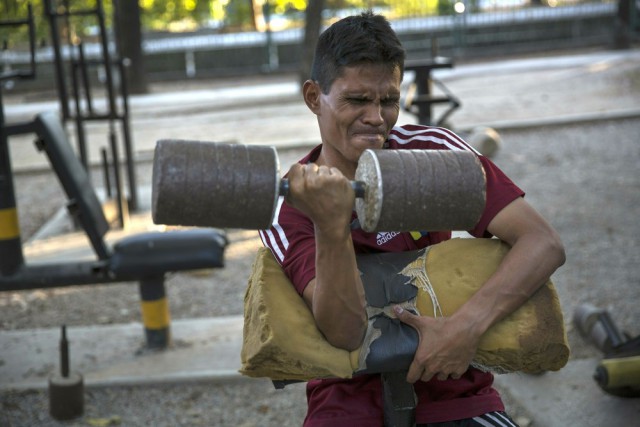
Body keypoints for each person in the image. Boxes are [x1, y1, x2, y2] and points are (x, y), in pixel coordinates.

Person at [259, 11, 565, 427]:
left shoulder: (432, 153)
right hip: (348, 401)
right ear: (315, 97)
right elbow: (346, 333)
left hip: (453, 385)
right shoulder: (289, 202)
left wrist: (464, 330)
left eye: (388, 100)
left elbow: (542, 243)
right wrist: (331, 226)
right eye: (357, 100)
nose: (376, 118)